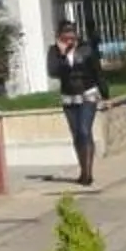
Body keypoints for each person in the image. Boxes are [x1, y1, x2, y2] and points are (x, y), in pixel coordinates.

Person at [48, 19, 103, 187]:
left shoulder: (86, 49)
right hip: (68, 97)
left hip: (88, 94)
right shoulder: (54, 52)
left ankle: (88, 174)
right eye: (66, 33)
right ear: (60, 35)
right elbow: (53, 71)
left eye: (72, 32)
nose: (69, 36)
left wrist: (106, 96)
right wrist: (63, 55)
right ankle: (82, 170)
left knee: (85, 130)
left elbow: (97, 73)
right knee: (77, 134)